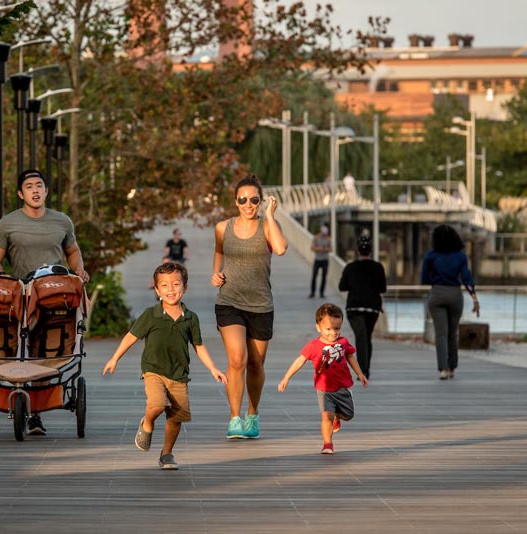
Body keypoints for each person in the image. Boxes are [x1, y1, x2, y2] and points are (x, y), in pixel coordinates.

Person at [0, 168, 90, 435]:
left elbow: (73, 251)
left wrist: (78, 270)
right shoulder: (8, 223)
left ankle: (37, 413)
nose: (35, 190)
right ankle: (25, 408)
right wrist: (2, 277)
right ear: (20, 193)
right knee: (22, 348)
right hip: (18, 294)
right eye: (29, 186)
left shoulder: (62, 221)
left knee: (47, 350)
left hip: (53, 294)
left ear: (46, 191)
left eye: (39, 186)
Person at [103, 263, 227, 469]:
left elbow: (199, 346)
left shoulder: (190, 318)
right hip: (153, 370)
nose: (171, 289)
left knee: (176, 418)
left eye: (176, 284)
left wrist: (213, 368)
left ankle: (166, 454)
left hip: (179, 374)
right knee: (158, 404)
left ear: (185, 288)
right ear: (157, 290)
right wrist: (114, 358)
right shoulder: (150, 315)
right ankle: (147, 423)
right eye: (165, 286)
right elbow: (131, 337)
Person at [212, 174, 288, 439]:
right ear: (235, 201)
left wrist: (270, 215)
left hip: (260, 304)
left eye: (254, 200)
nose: (248, 204)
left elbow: (280, 249)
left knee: (256, 365)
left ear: (260, 201)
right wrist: (215, 272)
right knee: (237, 359)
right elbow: (220, 251)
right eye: (243, 199)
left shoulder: (267, 226)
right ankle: (234, 418)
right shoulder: (223, 227)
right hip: (229, 301)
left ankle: (252, 414)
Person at [277, 303, 368, 455]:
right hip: (324, 388)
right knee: (326, 415)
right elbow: (300, 360)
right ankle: (327, 444)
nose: (333, 333)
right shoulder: (313, 346)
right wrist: (286, 377)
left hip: (342, 387)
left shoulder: (343, 343)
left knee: (348, 415)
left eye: (337, 328)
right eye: (328, 329)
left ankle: (337, 417)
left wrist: (360, 373)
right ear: (318, 327)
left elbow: (351, 356)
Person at [420, 224, 480, 380]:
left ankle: (443, 369)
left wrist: (435, 278)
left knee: (441, 334)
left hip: (437, 293)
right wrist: (474, 298)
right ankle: (452, 366)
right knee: (453, 333)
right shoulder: (460, 256)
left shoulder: (431, 256)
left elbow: (424, 278)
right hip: (455, 295)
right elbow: (466, 278)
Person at [338, 233, 387, 380]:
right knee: (366, 337)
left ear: (357, 251)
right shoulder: (378, 267)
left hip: (354, 307)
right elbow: (382, 289)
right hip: (372, 308)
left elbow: (342, 287)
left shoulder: (350, 267)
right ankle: (365, 369)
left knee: (361, 336)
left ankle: (363, 371)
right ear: (371, 250)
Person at [309, 224, 332, 298]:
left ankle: (322, 293)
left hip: (325, 260)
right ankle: (312, 292)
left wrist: (325, 249)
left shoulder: (328, 239)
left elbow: (331, 249)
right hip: (318, 259)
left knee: (324, 277)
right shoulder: (316, 238)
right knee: (314, 276)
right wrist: (319, 249)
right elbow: (312, 248)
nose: (324, 235)